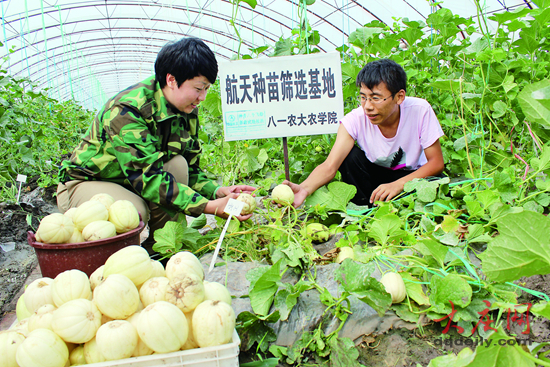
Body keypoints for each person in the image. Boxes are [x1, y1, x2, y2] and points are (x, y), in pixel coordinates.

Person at [57, 37, 255, 253]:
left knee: (178, 165)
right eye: (199, 88)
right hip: (86, 184)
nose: (203, 97)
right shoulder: (128, 110)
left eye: (207, 89)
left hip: (129, 182)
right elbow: (147, 178)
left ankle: (161, 250)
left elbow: (190, 168)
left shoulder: (185, 109)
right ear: (171, 80)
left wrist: (216, 191)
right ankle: (116, 263)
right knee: (131, 212)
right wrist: (207, 207)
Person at [284, 58, 445, 207]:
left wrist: (399, 185)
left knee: (436, 183)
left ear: (399, 97)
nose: (367, 106)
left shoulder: (419, 110)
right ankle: (365, 210)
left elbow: (436, 163)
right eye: (363, 97)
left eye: (375, 98)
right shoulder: (354, 120)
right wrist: (304, 189)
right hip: (375, 180)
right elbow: (330, 165)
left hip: (413, 177)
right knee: (349, 157)